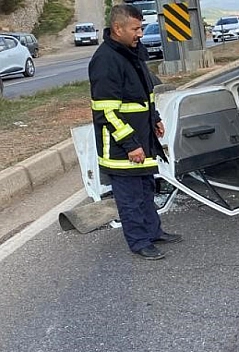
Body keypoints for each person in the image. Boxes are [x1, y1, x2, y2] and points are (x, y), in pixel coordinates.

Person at [88, 4, 182, 260]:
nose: (141, 33)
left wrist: (155, 118)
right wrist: (130, 144)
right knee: (130, 199)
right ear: (118, 28)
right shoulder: (105, 61)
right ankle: (139, 242)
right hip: (121, 148)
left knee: (145, 190)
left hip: (142, 136)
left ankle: (153, 232)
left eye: (141, 28)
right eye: (136, 28)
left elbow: (144, 93)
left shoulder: (131, 53)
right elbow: (106, 111)